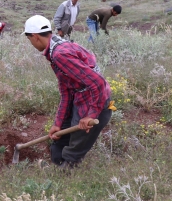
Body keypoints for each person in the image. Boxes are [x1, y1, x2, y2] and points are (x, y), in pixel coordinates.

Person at [23, 15, 113, 168]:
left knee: (76, 144)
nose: (30, 43)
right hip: (80, 95)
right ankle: (56, 164)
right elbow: (66, 90)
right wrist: (58, 123)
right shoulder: (57, 47)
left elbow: (98, 82)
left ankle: (64, 173)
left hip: (95, 99)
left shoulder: (60, 55)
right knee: (61, 134)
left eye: (29, 39)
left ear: (35, 36)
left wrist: (91, 114)